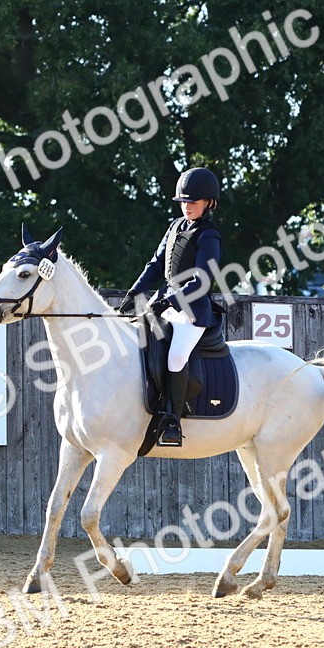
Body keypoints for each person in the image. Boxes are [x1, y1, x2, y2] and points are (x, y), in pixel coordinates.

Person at [118, 167, 222, 447]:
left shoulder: (208, 235)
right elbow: (155, 264)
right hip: (164, 300)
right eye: (184, 202)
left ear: (208, 203)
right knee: (135, 339)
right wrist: (135, 290)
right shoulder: (175, 226)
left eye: (193, 202)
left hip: (192, 310)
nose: (187, 207)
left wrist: (169, 302)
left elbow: (202, 281)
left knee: (176, 357)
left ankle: (173, 419)